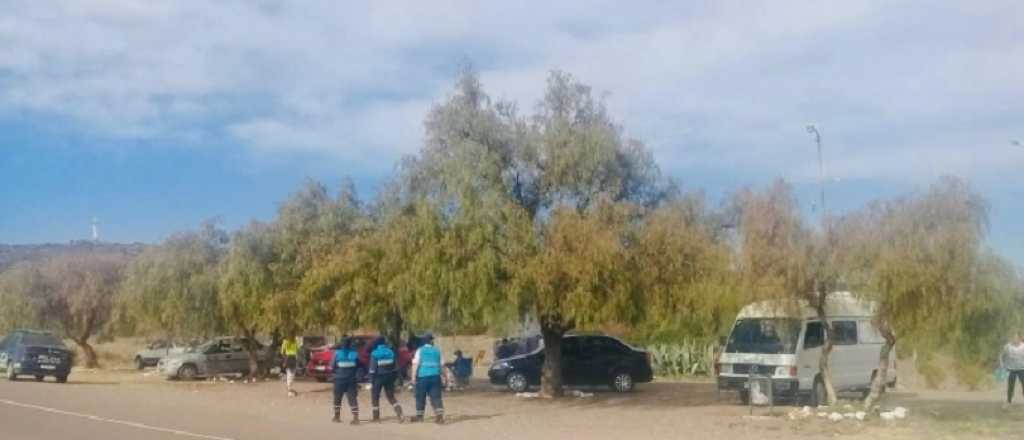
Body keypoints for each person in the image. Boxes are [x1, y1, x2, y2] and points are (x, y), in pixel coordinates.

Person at [411, 332, 447, 424]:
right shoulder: (437, 351)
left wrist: (413, 377)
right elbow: (442, 366)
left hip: (422, 377)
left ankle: (419, 416)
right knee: (436, 397)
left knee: (420, 397)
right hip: (435, 377)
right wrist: (445, 377)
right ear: (431, 341)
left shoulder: (420, 350)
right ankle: (439, 416)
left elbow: (415, 364)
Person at [368, 336, 405, 423]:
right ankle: (399, 413)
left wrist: (371, 380)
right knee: (391, 396)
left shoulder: (375, 353)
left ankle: (376, 417)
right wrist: (397, 378)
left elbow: (372, 369)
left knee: (375, 397)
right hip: (389, 377)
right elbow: (396, 367)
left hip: (378, 378)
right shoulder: (390, 352)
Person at [332, 337, 362, 425]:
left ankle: (337, 417)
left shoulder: (337, 353)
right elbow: (359, 365)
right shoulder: (354, 354)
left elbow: (332, 366)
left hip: (339, 379)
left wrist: (336, 372)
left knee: (337, 397)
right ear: (350, 344)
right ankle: (356, 418)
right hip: (351, 379)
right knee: (352, 398)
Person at [1001, 333, 1024, 409]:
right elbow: (1002, 356)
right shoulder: (1007, 346)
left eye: (1017, 338)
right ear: (1011, 338)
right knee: (1011, 386)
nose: (1015, 339)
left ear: (1019, 338)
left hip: (1022, 369)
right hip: (1011, 369)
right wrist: (1002, 365)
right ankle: (1008, 402)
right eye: (1013, 338)